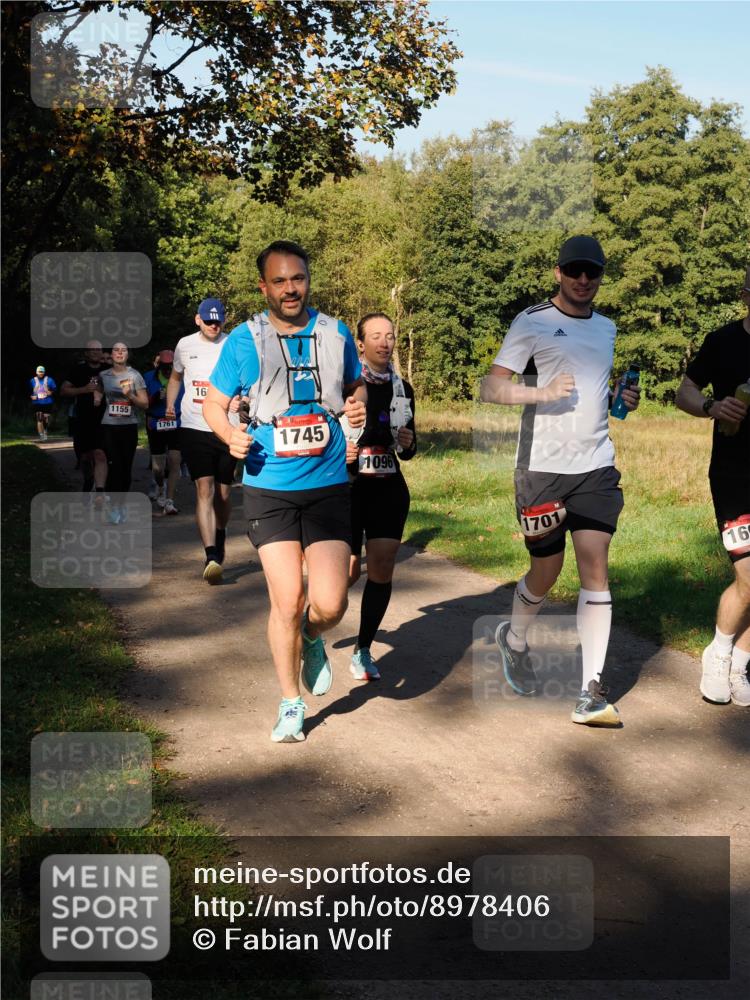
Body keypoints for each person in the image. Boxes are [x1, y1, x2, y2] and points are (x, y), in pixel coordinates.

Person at [204, 240, 366, 743]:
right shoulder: (243, 340)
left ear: (307, 279)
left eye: (298, 278)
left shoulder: (337, 333)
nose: (290, 288)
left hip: (329, 485)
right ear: (264, 287)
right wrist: (228, 432)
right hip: (268, 485)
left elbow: (356, 387)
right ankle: (290, 702)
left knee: (330, 603)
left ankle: (314, 638)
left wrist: (357, 409)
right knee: (288, 600)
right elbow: (215, 402)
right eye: (279, 281)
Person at [480, 235, 640, 726]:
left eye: (592, 272)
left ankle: (591, 689)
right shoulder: (532, 322)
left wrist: (622, 401)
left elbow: (599, 394)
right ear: (558, 272)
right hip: (542, 469)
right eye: (575, 270)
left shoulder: (608, 328)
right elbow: (491, 386)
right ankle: (514, 639)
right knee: (545, 573)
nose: (584, 280)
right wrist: (541, 391)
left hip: (594, 466)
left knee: (596, 565)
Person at [675, 267, 750, 707]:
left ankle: (740, 662)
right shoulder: (722, 341)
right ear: (745, 294)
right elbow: (684, 390)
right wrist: (710, 406)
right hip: (736, 476)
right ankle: (718, 651)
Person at [346, 312, 417, 681]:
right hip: (348, 488)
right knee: (344, 574)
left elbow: (409, 447)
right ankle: (313, 621)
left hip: (388, 486)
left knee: (382, 568)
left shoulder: (404, 389)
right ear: (360, 343)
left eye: (389, 335)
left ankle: (362, 649)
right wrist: (343, 453)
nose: (383, 342)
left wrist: (407, 444)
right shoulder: (345, 386)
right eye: (375, 335)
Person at [166, 298, 238, 582]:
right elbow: (175, 377)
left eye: (218, 320)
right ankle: (210, 555)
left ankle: (220, 534)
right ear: (198, 320)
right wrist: (171, 403)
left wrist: (241, 400)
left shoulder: (234, 344)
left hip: (225, 428)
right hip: (194, 426)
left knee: (223, 494)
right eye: (208, 320)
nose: (213, 325)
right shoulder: (184, 345)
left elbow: (249, 381)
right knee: (203, 488)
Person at [99, 342, 148, 523]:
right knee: (113, 465)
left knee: (125, 467)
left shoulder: (135, 375)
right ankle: (112, 504)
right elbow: (96, 394)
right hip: (109, 425)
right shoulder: (103, 375)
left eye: (123, 350)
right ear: (111, 354)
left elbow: (145, 404)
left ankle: (121, 504)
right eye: (116, 350)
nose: (119, 353)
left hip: (128, 426)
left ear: (128, 354)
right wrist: (96, 398)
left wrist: (130, 396)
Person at [60, 340, 109, 495]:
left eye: (98, 349)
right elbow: (64, 391)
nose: (95, 352)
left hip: (104, 419)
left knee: (100, 454)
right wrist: (83, 389)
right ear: (86, 353)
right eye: (92, 350)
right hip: (83, 419)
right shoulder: (78, 370)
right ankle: (89, 480)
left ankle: (100, 490)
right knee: (86, 457)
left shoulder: (108, 370)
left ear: (102, 352)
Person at [144, 349, 184, 515]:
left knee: (175, 460)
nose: (168, 370)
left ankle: (169, 500)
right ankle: (160, 485)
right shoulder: (148, 377)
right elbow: (142, 402)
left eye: (171, 366)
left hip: (177, 422)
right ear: (158, 365)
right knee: (158, 468)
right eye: (164, 366)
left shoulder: (184, 377)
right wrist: (155, 398)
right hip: (156, 422)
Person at [29, 365, 56, 440]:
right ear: (36, 372)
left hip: (47, 402)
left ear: (44, 372)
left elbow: (54, 389)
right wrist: (30, 396)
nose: (40, 373)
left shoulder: (49, 380)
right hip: (37, 403)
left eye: (42, 372)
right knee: (39, 418)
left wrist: (50, 392)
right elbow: (27, 390)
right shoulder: (32, 380)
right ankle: (41, 435)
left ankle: (45, 431)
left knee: (46, 419)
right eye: (39, 372)